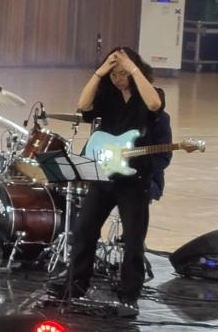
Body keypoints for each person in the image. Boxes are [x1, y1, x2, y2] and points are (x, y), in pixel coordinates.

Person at [54, 47, 165, 313]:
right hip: (103, 175)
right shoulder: (108, 95)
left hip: (134, 179)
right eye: (113, 75)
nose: (118, 79)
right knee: (84, 229)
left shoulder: (150, 93)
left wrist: (133, 69)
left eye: (122, 74)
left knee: (133, 240)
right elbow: (83, 106)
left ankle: (129, 293)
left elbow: (154, 105)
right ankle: (76, 285)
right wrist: (100, 72)